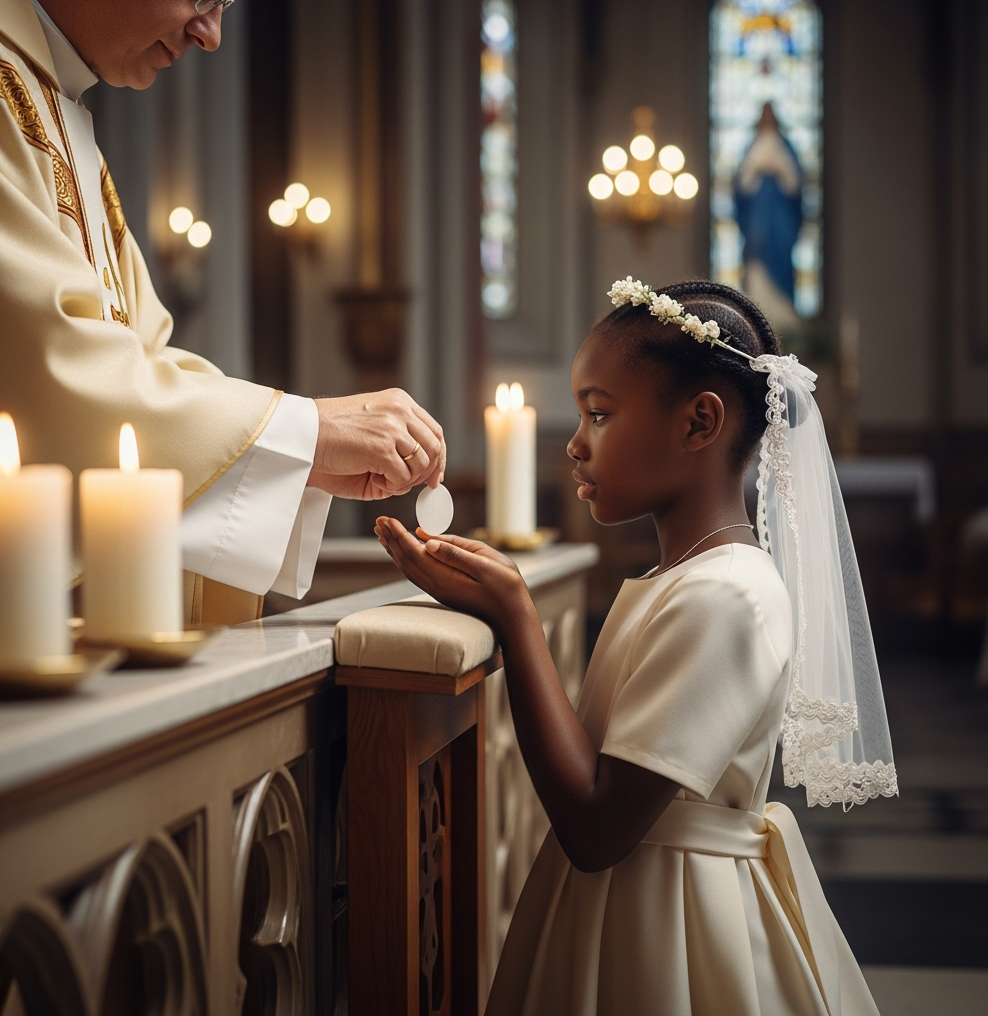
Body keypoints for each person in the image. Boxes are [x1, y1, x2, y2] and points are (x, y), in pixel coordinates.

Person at [376, 279, 898, 1015]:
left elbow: (596, 827)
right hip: (619, 903)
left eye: (599, 413)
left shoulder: (729, 597)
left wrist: (515, 617)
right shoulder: (678, 579)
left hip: (674, 929)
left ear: (699, 423)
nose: (575, 442)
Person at [0, 0, 445, 622]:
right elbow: (43, 369)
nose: (211, 34)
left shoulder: (55, 99)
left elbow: (147, 356)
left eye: (227, 3)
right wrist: (308, 432)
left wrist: (300, 456)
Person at [735, 102, 804, 330]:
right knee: (756, 266)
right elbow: (741, 187)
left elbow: (795, 186)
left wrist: (779, 167)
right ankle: (757, 322)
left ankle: (785, 323)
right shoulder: (751, 148)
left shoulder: (786, 148)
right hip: (757, 221)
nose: (767, 121)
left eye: (770, 117)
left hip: (780, 219)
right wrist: (756, 168)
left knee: (781, 261)